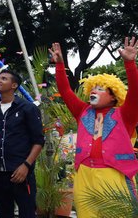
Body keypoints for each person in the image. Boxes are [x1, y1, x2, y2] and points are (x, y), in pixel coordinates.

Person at [50, 38, 138, 217]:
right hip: (84, 175)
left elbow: (136, 93)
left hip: (114, 174)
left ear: (114, 96)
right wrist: (60, 65)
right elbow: (66, 92)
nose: (93, 91)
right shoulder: (82, 111)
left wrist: (129, 63)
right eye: (92, 88)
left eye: (100, 89)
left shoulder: (125, 114)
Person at [0, 70, 44, 218]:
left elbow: (38, 141)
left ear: (14, 85)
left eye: (3, 79)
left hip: (21, 172)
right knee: (3, 214)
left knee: (27, 213)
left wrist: (26, 165)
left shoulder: (28, 108)